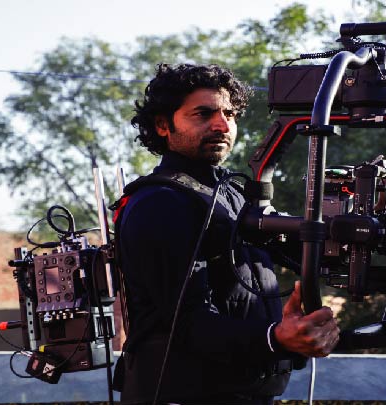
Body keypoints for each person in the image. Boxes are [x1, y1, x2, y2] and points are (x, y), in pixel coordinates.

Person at [111, 63, 340, 404]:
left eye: (230, 114)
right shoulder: (159, 202)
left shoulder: (232, 193)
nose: (222, 125)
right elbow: (187, 323)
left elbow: (305, 254)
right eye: (203, 114)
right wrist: (276, 338)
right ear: (162, 125)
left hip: (244, 392)